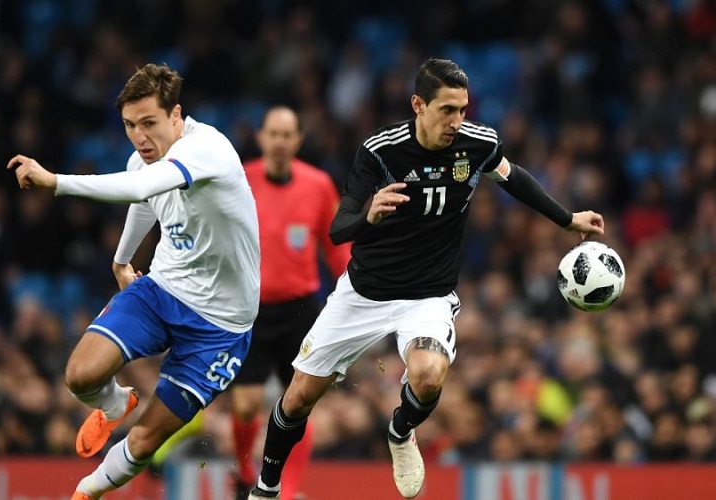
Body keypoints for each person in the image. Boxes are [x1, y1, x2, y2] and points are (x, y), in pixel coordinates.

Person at [248, 58, 605, 500]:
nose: (457, 121)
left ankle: (400, 432)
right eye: (446, 110)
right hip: (365, 292)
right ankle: (266, 487)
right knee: (299, 396)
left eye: (463, 109)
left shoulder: (478, 144)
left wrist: (567, 219)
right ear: (418, 105)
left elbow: (513, 179)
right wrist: (369, 214)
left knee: (430, 373)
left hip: (428, 297)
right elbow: (338, 229)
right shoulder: (380, 151)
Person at [6, 63, 260, 500]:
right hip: (163, 289)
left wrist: (56, 181)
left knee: (144, 441)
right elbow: (145, 203)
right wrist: (122, 261)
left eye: (149, 123)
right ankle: (114, 403)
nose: (140, 137)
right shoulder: (141, 160)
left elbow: (140, 189)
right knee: (80, 376)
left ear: (175, 115)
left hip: (220, 325)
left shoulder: (208, 149)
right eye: (129, 125)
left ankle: (86, 491)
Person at [232, 106, 351, 499]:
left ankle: (289, 491)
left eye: (287, 135)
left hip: (300, 309)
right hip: (250, 310)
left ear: (298, 140)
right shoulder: (240, 180)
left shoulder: (318, 185)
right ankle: (245, 473)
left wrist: (354, 288)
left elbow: (336, 245)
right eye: (273, 133)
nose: (280, 142)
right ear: (261, 137)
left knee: (299, 401)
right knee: (246, 404)